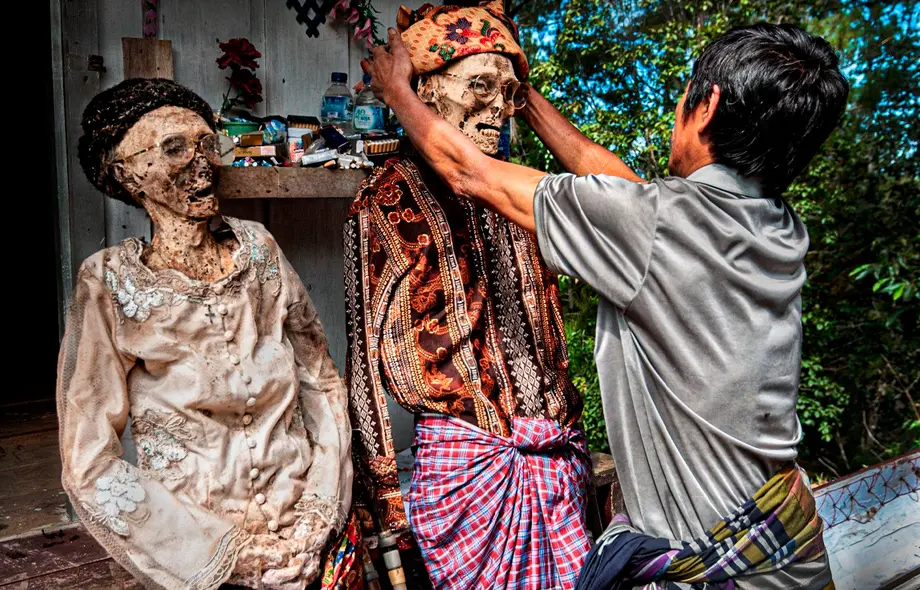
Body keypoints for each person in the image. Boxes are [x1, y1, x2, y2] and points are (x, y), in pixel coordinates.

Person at [363, 16, 848, 589]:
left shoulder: (656, 228)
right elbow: (621, 186)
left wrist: (395, 90)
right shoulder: (772, 227)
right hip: (790, 549)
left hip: (720, 576)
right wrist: (525, 98)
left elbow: (471, 172)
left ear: (707, 104)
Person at [58, 78, 359, 590]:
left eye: (206, 144)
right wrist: (228, 556)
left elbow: (321, 383)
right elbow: (89, 462)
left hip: (306, 532)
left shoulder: (258, 248)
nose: (202, 163)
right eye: (174, 148)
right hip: (200, 556)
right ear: (125, 173)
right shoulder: (109, 281)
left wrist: (320, 513)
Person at [344, 3, 592, 588]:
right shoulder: (385, 200)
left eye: (508, 93)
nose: (498, 109)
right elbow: (364, 365)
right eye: (479, 86)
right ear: (427, 91)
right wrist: (384, 501)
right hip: (468, 474)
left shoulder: (521, 194)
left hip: (557, 458)